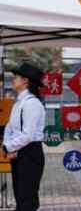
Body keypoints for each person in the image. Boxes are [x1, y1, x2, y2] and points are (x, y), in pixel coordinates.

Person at [3, 63, 46, 210]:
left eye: (16, 77)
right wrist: (9, 146)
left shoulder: (32, 104)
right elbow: (9, 127)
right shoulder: (19, 103)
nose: (13, 79)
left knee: (27, 199)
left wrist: (8, 147)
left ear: (25, 80)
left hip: (30, 153)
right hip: (19, 152)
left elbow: (28, 135)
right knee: (20, 197)